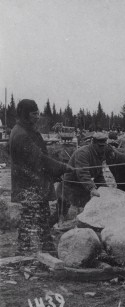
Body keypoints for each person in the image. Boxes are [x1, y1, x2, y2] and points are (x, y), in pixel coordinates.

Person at [7, 99, 74, 254]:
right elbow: (40, 159)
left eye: (38, 113)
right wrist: (63, 167)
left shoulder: (25, 130)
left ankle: (47, 249)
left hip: (33, 183)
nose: (37, 116)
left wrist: (53, 173)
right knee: (30, 220)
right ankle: (23, 254)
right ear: (25, 114)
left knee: (42, 218)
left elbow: (38, 160)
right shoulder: (21, 134)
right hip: (29, 186)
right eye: (34, 113)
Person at [56, 132, 108, 221]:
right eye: (100, 146)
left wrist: (105, 189)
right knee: (61, 213)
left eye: (104, 146)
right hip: (70, 185)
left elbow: (98, 174)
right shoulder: (83, 153)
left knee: (83, 211)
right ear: (93, 143)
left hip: (82, 185)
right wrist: (92, 188)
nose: (102, 148)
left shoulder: (100, 154)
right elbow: (83, 172)